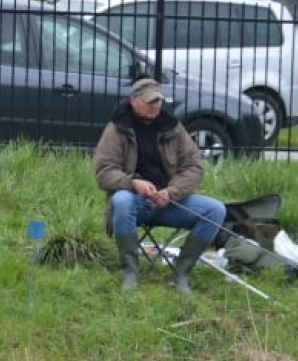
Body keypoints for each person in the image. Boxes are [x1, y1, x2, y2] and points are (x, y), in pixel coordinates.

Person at [94, 78, 225, 293]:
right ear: (134, 101)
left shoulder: (173, 127)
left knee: (215, 210)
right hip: (134, 203)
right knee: (121, 200)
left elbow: (194, 167)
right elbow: (104, 172)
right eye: (149, 101)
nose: (155, 105)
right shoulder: (117, 128)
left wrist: (171, 192)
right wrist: (133, 183)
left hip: (169, 202)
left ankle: (181, 274)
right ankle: (130, 272)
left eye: (158, 101)